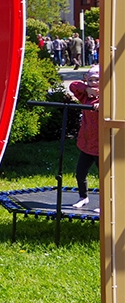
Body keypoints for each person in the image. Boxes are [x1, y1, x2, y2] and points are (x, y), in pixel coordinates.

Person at [70, 65, 100, 211]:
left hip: (102, 145)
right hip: (87, 143)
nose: (94, 83)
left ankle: (106, 203)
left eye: (97, 80)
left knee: (105, 177)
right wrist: (86, 89)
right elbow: (73, 86)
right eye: (91, 80)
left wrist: (103, 105)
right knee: (80, 173)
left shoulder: (108, 96)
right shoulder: (85, 96)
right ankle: (83, 197)